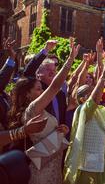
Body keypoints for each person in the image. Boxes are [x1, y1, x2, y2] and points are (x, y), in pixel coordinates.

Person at [7, 38, 79, 184]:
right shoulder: (32, 109)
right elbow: (54, 86)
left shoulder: (36, 107)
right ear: (27, 93)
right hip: (41, 169)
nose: (42, 92)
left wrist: (61, 130)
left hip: (54, 164)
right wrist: (70, 60)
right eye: (38, 89)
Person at [64, 58, 105, 184]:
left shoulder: (102, 109)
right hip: (89, 161)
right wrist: (101, 76)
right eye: (90, 94)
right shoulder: (82, 110)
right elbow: (93, 100)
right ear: (81, 99)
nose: (97, 95)